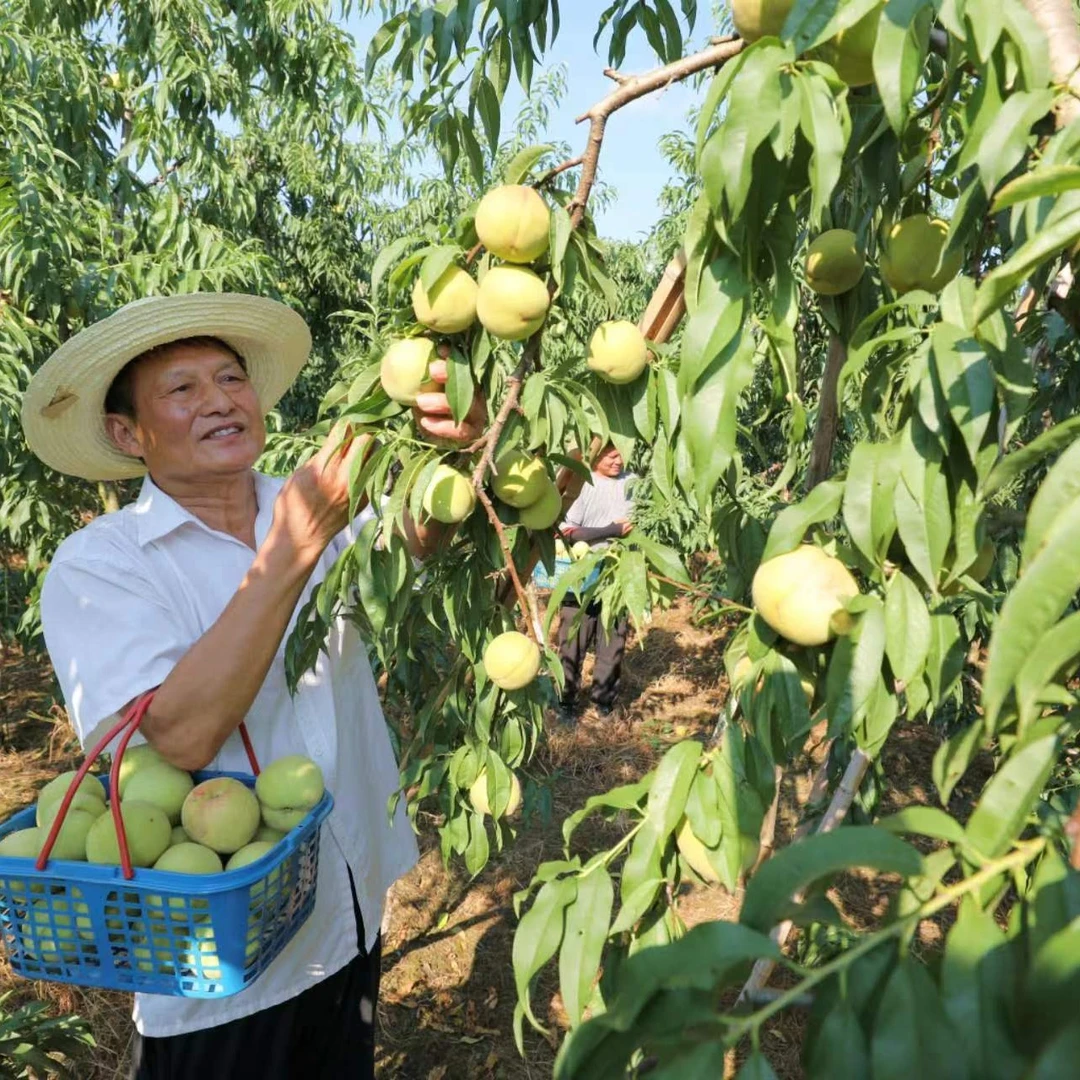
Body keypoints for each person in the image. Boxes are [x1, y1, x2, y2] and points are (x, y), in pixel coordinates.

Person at [19, 292, 486, 1080]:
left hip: (345, 905)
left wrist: (454, 453)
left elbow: (415, 538)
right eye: (182, 389)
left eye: (231, 378)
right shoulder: (102, 565)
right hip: (216, 969)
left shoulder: (311, 500)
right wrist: (295, 545)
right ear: (128, 434)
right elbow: (180, 735)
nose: (220, 400)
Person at [556, 443, 635, 721]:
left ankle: (604, 703)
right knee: (572, 641)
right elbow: (566, 532)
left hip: (618, 573)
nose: (618, 461)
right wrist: (612, 530)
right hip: (580, 574)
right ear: (596, 454)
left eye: (621, 454)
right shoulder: (581, 482)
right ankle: (565, 703)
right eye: (611, 455)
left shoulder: (633, 483)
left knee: (613, 641)